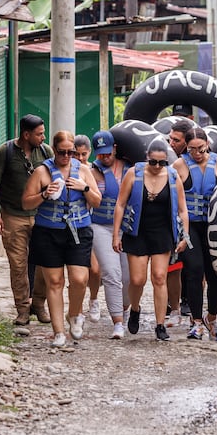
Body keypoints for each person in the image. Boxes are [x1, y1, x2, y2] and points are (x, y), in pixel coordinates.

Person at [21, 131, 101, 347]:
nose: (67, 156)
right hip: (48, 231)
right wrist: (45, 194)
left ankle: (74, 314)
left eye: (70, 152)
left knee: (79, 279)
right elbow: (26, 203)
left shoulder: (83, 170)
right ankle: (58, 332)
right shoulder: (41, 172)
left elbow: (97, 201)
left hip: (78, 230)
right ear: (53, 150)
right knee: (55, 281)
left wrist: (83, 188)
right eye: (62, 152)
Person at [113, 139, 190, 341]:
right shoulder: (134, 174)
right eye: (153, 162)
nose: (157, 167)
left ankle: (159, 325)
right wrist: (116, 234)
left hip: (162, 232)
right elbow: (120, 204)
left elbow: (183, 209)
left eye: (161, 163)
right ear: (147, 159)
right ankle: (136, 309)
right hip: (137, 231)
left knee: (159, 277)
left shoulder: (173, 177)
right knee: (137, 280)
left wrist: (185, 236)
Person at [0, 114, 53, 327]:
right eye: (39, 134)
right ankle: (22, 309)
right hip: (13, 217)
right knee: (18, 265)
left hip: (42, 217)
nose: (43, 137)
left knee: (44, 264)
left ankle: (39, 305)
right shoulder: (4, 153)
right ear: (26, 134)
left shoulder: (46, 152)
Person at [172, 127, 217, 340]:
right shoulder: (179, 165)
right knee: (194, 271)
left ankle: (211, 318)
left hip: (214, 225)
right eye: (191, 149)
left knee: (216, 275)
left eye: (200, 149)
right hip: (190, 226)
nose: (196, 153)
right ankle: (196, 322)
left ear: (207, 144)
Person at [88, 130, 130, 339]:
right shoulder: (91, 171)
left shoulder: (129, 168)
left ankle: (124, 309)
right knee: (112, 273)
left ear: (115, 148)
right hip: (101, 225)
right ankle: (118, 322)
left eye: (108, 153)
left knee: (129, 276)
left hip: (127, 227)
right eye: (101, 154)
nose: (105, 157)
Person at [166, 118, 196, 325]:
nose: (171, 144)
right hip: (174, 219)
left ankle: (189, 301)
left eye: (175, 140)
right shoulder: (170, 161)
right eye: (170, 139)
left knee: (193, 265)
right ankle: (174, 303)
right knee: (174, 264)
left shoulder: (196, 162)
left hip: (196, 219)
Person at [73, 134, 103, 322]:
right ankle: (78, 307)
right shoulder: (69, 170)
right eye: (77, 154)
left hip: (94, 222)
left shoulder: (93, 170)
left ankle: (93, 299)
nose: (81, 158)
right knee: (78, 270)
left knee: (95, 269)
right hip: (75, 223)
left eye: (84, 154)